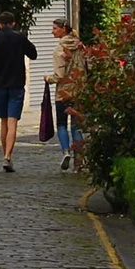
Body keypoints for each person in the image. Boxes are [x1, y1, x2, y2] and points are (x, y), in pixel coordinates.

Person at [0, 12, 37, 172]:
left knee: (4, 121)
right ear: (13, 23)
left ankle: (5, 156)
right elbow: (33, 54)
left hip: (0, 85)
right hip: (16, 84)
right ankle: (7, 157)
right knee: (13, 122)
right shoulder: (19, 38)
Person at [50, 16, 82, 172]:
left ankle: (65, 152)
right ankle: (79, 162)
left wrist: (48, 79)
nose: (52, 32)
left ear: (63, 29)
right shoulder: (80, 45)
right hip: (79, 89)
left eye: (55, 28)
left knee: (62, 124)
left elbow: (59, 75)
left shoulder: (59, 50)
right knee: (77, 126)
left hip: (63, 92)